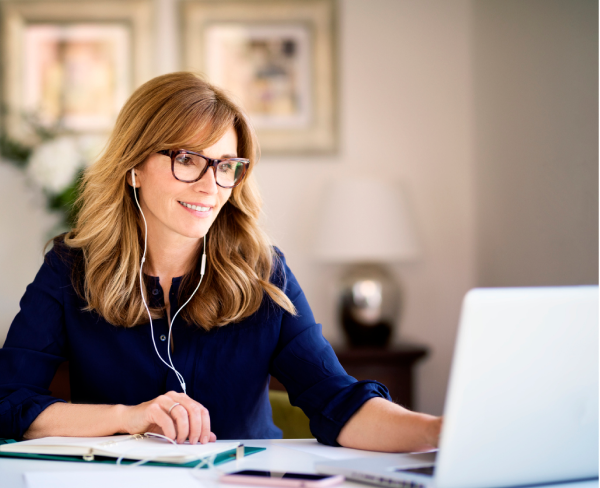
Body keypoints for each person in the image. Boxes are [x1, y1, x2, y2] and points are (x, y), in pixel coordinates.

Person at [0, 72, 441, 451]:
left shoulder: (263, 272)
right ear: (133, 168)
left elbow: (338, 402)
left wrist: (442, 432)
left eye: (225, 165)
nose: (210, 185)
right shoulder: (70, 268)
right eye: (188, 159)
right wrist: (127, 417)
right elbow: (9, 402)